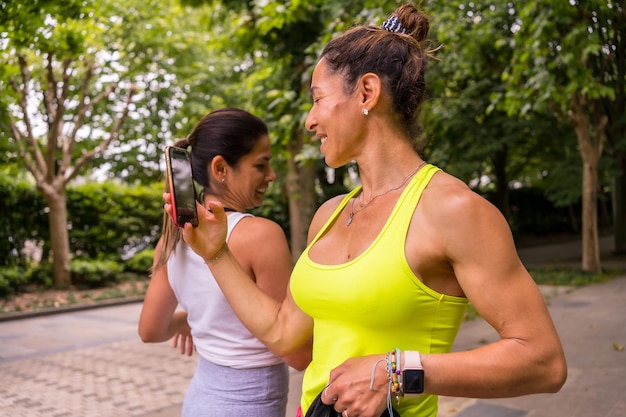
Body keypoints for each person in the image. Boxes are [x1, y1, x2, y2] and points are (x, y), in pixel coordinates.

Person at [164, 5, 567, 417]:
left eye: (318, 99)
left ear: (367, 93)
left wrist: (397, 371)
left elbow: (542, 361)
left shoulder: (452, 209)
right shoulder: (330, 214)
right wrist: (215, 253)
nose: (309, 120)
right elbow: (286, 336)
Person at [138, 107, 311, 417]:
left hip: (199, 402)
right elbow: (297, 352)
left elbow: (151, 329)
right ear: (221, 168)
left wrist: (194, 318)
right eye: (261, 164)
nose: (271, 176)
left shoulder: (173, 239)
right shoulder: (261, 235)